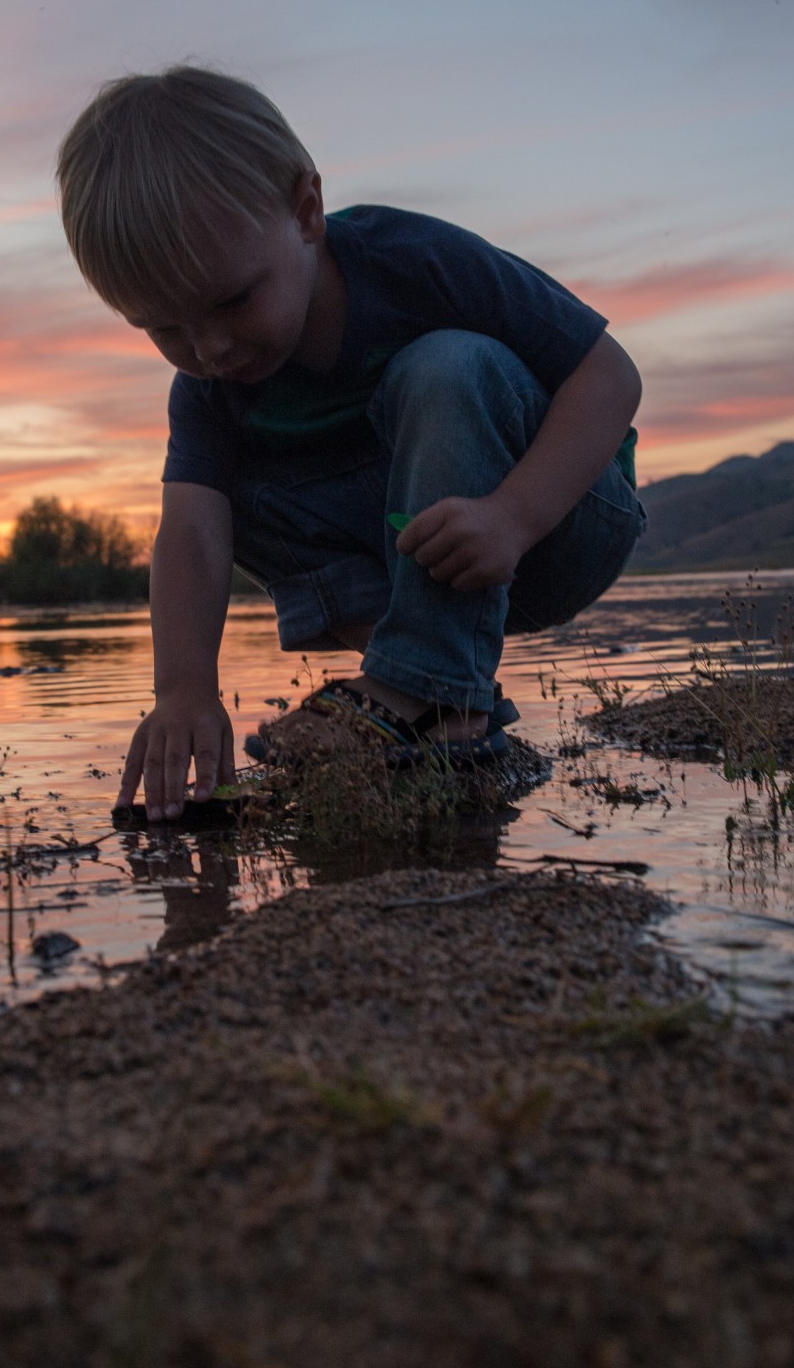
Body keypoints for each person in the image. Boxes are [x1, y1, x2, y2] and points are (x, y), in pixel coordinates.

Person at [57, 66, 645, 821]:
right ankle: (412, 688)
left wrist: (513, 516)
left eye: (233, 299)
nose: (209, 347)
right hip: (426, 562)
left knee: (448, 364)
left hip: (561, 519)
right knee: (216, 493)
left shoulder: (412, 260)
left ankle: (431, 690)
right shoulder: (211, 389)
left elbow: (610, 375)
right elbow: (193, 540)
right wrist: (183, 693)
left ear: (306, 212)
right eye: (163, 328)